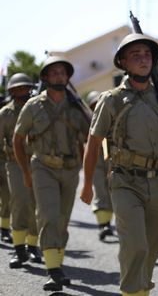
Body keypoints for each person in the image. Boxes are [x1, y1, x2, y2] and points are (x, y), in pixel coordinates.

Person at [79, 34, 158, 296]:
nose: (143, 58)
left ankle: (140, 290)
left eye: (147, 54)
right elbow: (93, 143)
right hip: (126, 181)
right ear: (123, 62)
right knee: (134, 245)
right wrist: (88, 185)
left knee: (151, 250)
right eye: (135, 54)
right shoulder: (110, 99)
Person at [13, 57, 89, 291]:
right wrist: (26, 172)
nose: (59, 76)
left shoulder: (77, 106)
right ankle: (52, 271)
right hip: (42, 167)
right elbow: (18, 139)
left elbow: (88, 139)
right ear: (45, 78)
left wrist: (87, 175)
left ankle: (58, 264)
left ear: (67, 77)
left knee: (63, 220)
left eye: (63, 73)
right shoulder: (33, 105)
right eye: (53, 72)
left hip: (69, 169)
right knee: (48, 216)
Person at [0, 73, 41, 268]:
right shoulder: (5, 114)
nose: (24, 91)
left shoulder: (38, 109)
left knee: (35, 204)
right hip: (14, 162)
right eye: (20, 88)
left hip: (38, 161)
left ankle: (32, 247)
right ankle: (19, 250)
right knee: (18, 202)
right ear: (13, 91)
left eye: (27, 87)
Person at [86, 90, 115, 241]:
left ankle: (107, 223)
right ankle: (101, 224)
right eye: (94, 105)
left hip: (110, 159)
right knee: (100, 190)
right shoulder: (88, 120)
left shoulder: (113, 117)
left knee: (110, 192)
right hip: (96, 161)